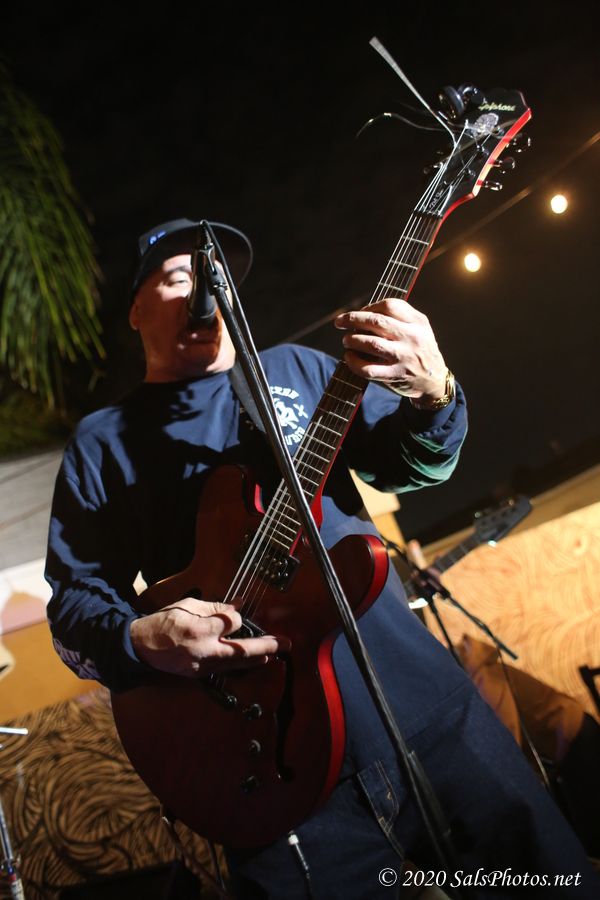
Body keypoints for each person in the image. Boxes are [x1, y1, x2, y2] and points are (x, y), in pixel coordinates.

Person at [45, 219, 599, 899]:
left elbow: (414, 466)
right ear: (136, 309)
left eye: (217, 278)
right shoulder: (102, 442)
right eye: (181, 276)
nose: (204, 291)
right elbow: (75, 601)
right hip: (266, 766)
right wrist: (140, 638)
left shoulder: (295, 370)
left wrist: (434, 392)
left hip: (424, 707)